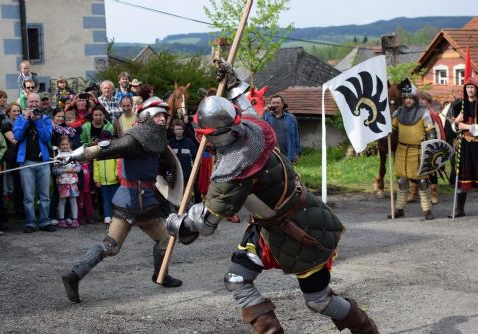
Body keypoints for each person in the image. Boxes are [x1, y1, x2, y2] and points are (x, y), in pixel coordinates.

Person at [166, 61, 378, 334]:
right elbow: (245, 104)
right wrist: (232, 81)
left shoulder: (235, 168)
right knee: (237, 278)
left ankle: (363, 326)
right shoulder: (254, 128)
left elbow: (207, 223)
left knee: (318, 301)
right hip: (267, 228)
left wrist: (180, 223)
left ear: (213, 135)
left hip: (303, 229)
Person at [61, 96, 183, 304]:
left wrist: (168, 173)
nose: (163, 119)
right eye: (159, 115)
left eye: (165, 115)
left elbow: (163, 161)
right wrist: (76, 155)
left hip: (128, 201)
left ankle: (74, 275)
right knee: (165, 239)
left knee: (111, 245)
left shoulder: (157, 138)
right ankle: (160, 275)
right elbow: (107, 148)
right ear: (147, 116)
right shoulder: (133, 140)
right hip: (140, 202)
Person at [389, 79, 436, 220]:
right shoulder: (397, 113)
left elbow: (431, 132)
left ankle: (427, 210)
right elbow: (392, 130)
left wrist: (430, 150)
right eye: (406, 98)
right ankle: (399, 209)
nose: (408, 101)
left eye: (410, 98)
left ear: (415, 99)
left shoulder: (424, 113)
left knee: (422, 182)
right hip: (402, 151)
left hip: (418, 152)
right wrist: (388, 133)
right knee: (402, 181)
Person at [13, 93, 54, 233]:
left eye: (36, 101)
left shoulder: (46, 119)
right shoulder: (19, 118)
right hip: (26, 162)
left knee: (45, 195)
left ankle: (44, 221)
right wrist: (25, 120)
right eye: (31, 102)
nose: (34, 104)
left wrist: (37, 121)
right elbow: (17, 136)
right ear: (27, 102)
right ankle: (30, 222)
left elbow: (47, 137)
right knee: (28, 196)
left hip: (43, 162)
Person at [450, 77, 478, 218]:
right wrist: (456, 122)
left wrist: (466, 126)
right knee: (462, 177)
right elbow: (453, 129)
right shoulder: (459, 105)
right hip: (465, 145)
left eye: (472, 87)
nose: (470, 90)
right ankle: (459, 209)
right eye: (467, 88)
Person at [263, 95, 301, 163]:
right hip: (271, 154)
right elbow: (259, 129)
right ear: (270, 104)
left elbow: (296, 136)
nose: (275, 105)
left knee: (288, 173)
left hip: (288, 154)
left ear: (282, 104)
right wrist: (263, 112)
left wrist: (297, 153)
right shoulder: (266, 117)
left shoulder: (291, 118)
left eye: (278, 103)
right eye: (273, 103)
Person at [52, 135, 81, 228]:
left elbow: (78, 167)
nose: (65, 146)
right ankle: (61, 220)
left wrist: (74, 170)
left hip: (73, 182)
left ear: (70, 144)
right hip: (62, 182)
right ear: (59, 145)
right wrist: (64, 170)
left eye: (66, 144)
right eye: (62, 144)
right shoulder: (58, 156)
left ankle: (75, 219)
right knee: (62, 201)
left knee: (73, 200)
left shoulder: (74, 154)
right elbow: (54, 170)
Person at [93, 130, 119, 224]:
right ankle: (107, 215)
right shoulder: (98, 153)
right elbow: (96, 168)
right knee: (106, 200)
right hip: (103, 182)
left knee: (115, 199)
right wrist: (97, 180)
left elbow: (118, 165)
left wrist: (117, 175)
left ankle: (116, 216)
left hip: (114, 181)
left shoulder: (114, 152)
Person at [168, 119, 197, 188]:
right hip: (174, 174)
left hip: (186, 173)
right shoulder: (170, 143)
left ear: (183, 130)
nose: (178, 131)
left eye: (180, 129)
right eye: (176, 129)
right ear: (174, 131)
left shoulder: (189, 142)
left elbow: (195, 156)